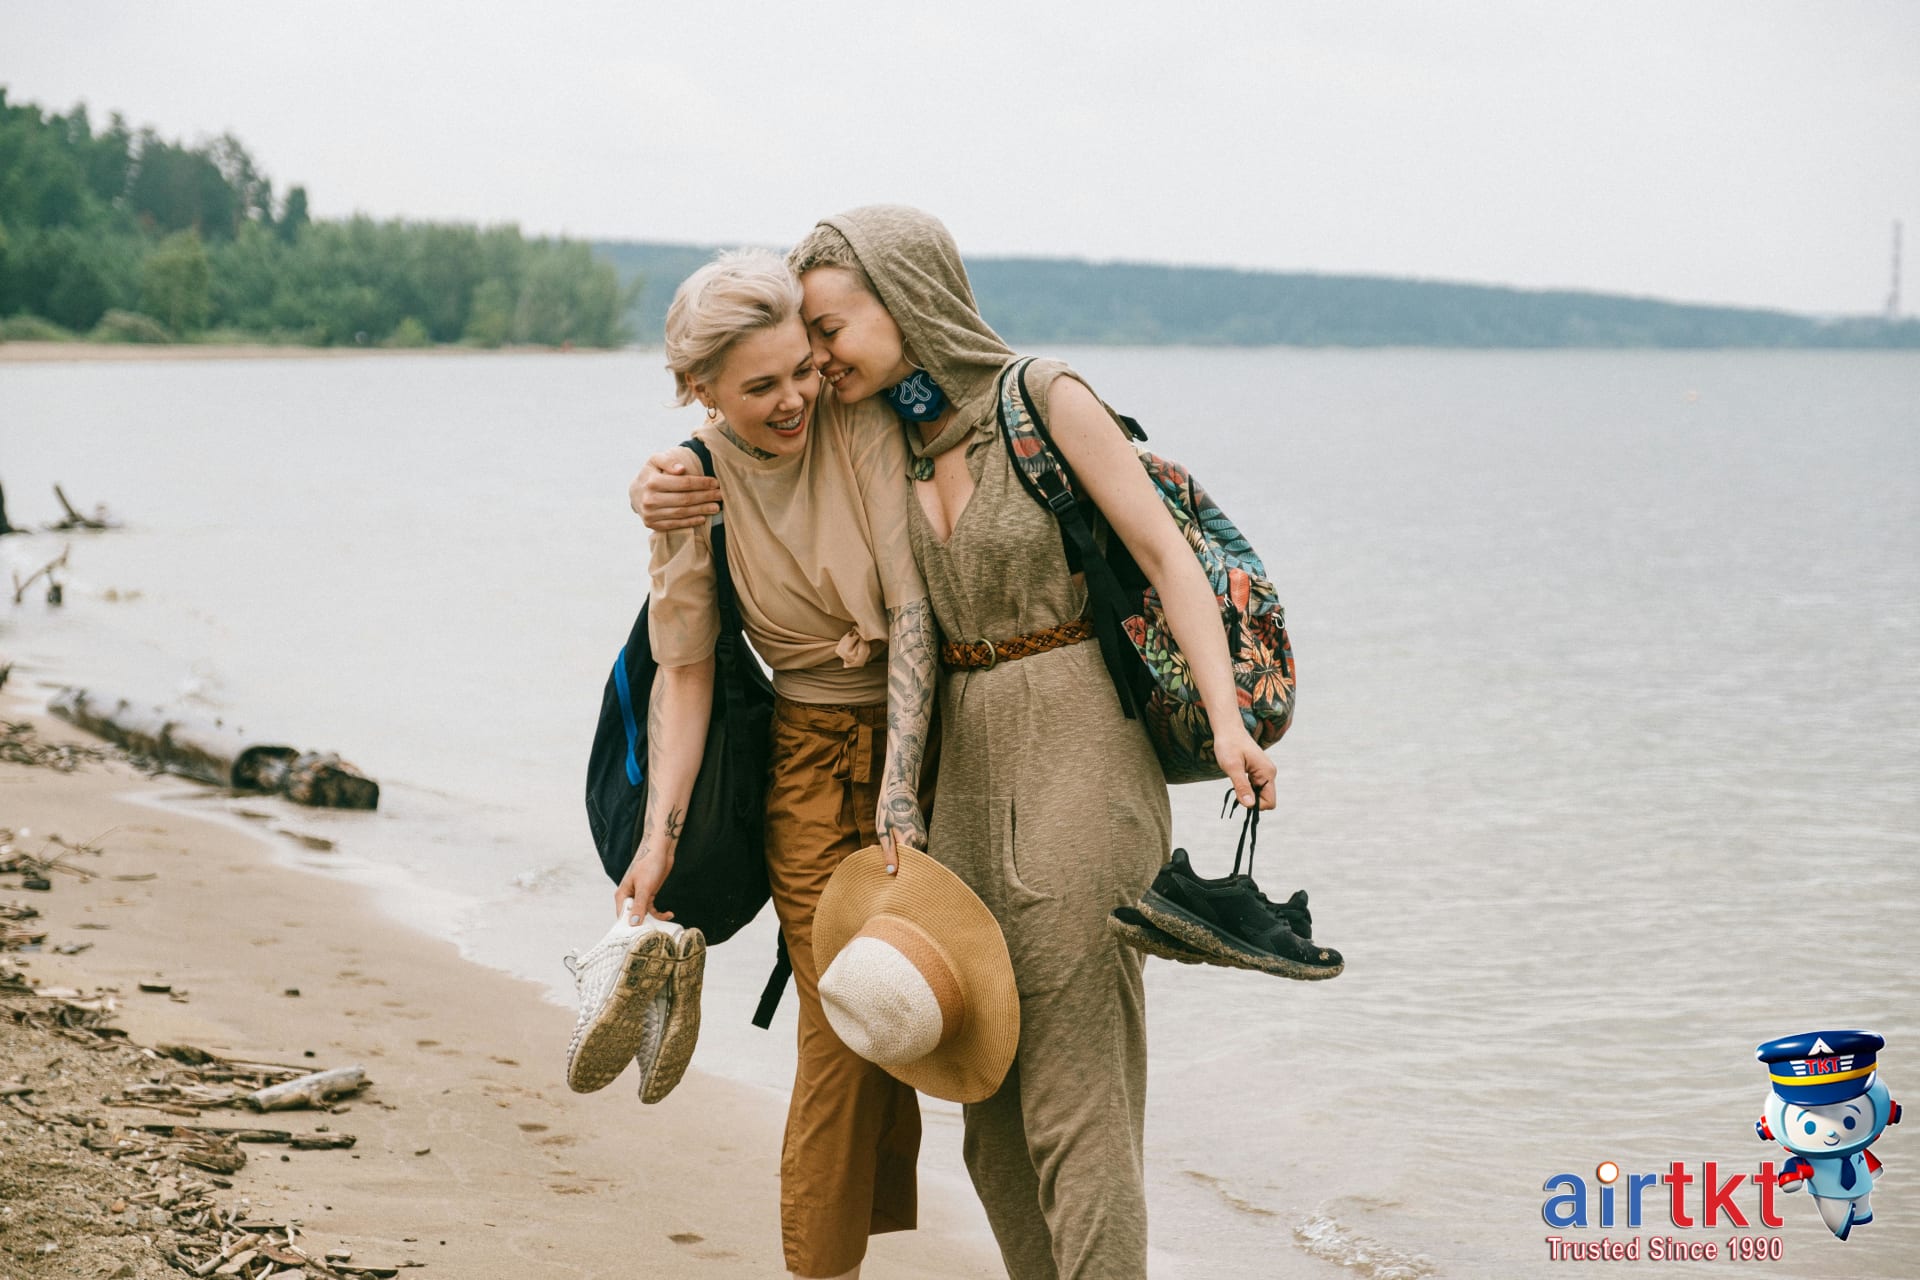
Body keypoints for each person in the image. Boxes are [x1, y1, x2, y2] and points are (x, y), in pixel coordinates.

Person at [636, 208, 1276, 1280]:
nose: (816, 365)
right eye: (802, 348)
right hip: (957, 764)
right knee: (987, 1103)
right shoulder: (889, 425)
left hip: (1077, 740)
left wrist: (1226, 718)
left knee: (1077, 1093)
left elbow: (1165, 556)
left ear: (906, 300)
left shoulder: (1041, 397)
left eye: (827, 335)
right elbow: (725, 542)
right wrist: (657, 485)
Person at [621, 248, 938, 1280]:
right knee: (843, 1019)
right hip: (807, 766)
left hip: (935, 746)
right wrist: (656, 837)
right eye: (761, 385)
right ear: (697, 388)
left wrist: (905, 795)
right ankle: (823, 1265)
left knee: (945, 1013)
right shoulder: (690, 484)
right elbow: (686, 667)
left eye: (802, 366)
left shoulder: (862, 418)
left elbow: (912, 610)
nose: (797, 395)